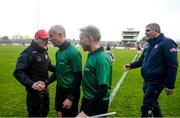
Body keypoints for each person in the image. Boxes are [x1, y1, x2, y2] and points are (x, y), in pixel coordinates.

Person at [123, 23, 178, 117]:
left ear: (156, 31)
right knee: (154, 103)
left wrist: (170, 85)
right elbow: (141, 60)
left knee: (147, 105)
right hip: (147, 80)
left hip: (157, 81)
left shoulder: (167, 43)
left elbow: (172, 64)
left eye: (148, 30)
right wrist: (131, 65)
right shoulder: (148, 44)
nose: (145, 33)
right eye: (145, 31)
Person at [13, 29, 55, 117]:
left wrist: (60, 68)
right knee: (35, 115)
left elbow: (49, 66)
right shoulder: (28, 53)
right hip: (33, 93)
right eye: (43, 39)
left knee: (45, 113)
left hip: (45, 89)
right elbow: (18, 71)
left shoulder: (44, 51)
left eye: (47, 39)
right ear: (36, 39)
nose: (46, 42)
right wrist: (32, 84)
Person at [76, 25, 112, 117]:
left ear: (89, 38)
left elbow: (103, 89)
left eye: (81, 38)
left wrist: (86, 111)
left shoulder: (101, 58)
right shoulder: (91, 55)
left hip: (98, 104)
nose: (80, 42)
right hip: (89, 100)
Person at [48, 25, 82, 117]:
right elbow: (58, 72)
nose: (49, 39)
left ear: (60, 34)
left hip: (70, 92)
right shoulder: (58, 52)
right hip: (59, 90)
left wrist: (70, 98)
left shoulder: (73, 52)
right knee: (59, 114)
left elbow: (78, 77)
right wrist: (46, 83)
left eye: (51, 35)